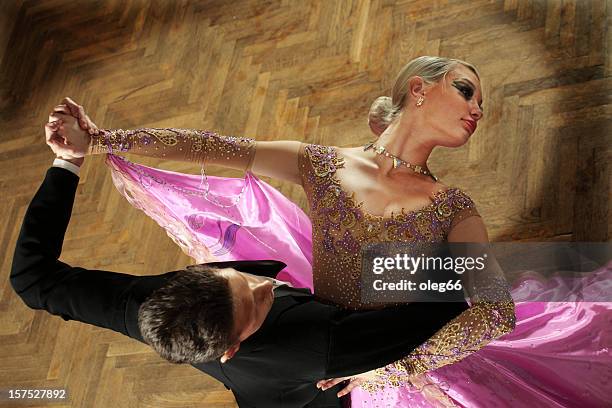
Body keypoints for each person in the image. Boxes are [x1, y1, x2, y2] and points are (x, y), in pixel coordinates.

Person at [45, 56, 610, 406]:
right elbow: (211, 148)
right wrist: (100, 141)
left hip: (400, 365)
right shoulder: (323, 164)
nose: (478, 109)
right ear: (419, 89)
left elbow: (493, 311)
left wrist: (387, 367)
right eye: (467, 90)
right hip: (342, 364)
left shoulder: (452, 207)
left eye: (480, 102)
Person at [11, 146, 475, 408]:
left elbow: (32, 279)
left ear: (191, 276)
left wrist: (67, 160)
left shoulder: (143, 306)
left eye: (239, 279)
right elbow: (445, 303)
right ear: (232, 348)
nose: (266, 284)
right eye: (257, 303)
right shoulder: (316, 341)